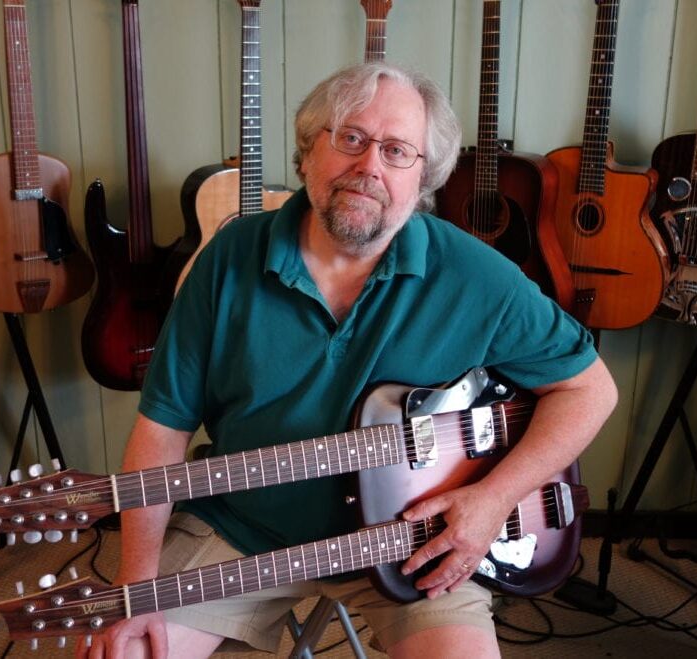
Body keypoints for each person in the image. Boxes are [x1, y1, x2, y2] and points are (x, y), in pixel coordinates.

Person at [80, 61, 617, 659]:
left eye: (397, 151)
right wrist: (137, 583)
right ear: (308, 151)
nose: (369, 167)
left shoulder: (478, 274)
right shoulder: (228, 257)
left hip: (414, 542)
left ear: (424, 178)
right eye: (351, 139)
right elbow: (162, 428)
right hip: (244, 528)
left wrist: (493, 500)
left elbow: (590, 390)